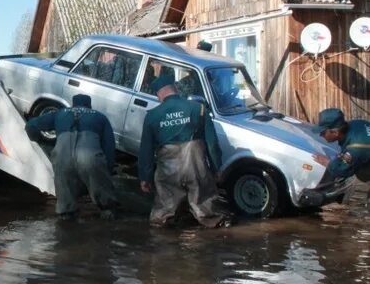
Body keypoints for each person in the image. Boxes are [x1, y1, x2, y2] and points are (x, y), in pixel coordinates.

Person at [138, 72, 230, 227]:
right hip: (196, 167)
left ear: (160, 93)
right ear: (175, 89)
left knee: (162, 218)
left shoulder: (152, 116)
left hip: (168, 170)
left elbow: (145, 150)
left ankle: (164, 231)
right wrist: (216, 168)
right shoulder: (198, 109)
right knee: (209, 211)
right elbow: (212, 143)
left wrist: (145, 177)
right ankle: (214, 229)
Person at [25, 94, 118, 219]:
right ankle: (107, 214)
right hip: (89, 156)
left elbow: (31, 125)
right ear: (89, 105)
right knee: (102, 189)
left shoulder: (60, 113)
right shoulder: (100, 117)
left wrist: (38, 140)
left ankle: (66, 218)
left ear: (73, 104)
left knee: (65, 197)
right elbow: (109, 147)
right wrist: (108, 170)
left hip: (62, 156)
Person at [312, 108, 370, 183]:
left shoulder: (356, 148)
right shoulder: (356, 123)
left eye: (323, 132)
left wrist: (327, 163)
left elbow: (343, 171)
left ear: (335, 132)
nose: (320, 135)